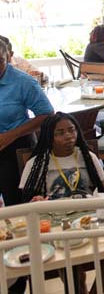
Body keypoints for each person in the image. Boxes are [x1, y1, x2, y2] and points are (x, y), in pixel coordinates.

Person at [19, 113, 104, 294]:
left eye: (72, 130)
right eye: (60, 133)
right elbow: (27, 205)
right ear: (49, 137)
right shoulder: (36, 163)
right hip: (57, 226)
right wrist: (37, 200)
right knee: (69, 261)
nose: (68, 136)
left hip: (88, 222)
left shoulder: (87, 157)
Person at [0, 40, 53, 206]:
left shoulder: (23, 82)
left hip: (14, 149)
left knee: (16, 204)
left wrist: (11, 135)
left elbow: (47, 114)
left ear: (8, 57)